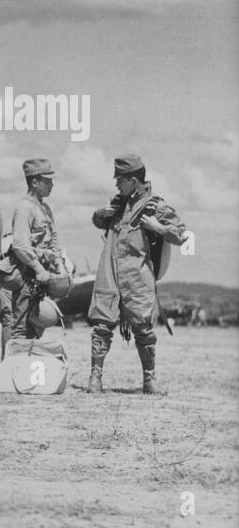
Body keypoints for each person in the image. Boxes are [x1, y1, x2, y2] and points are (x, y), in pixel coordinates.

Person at [87, 154, 187, 394]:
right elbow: (98, 221)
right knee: (101, 325)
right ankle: (95, 378)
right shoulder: (117, 205)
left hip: (137, 278)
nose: (116, 184)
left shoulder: (155, 206)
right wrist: (101, 213)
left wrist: (158, 227)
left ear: (133, 180)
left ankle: (149, 380)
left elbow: (181, 235)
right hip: (109, 274)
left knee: (144, 330)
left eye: (120, 179)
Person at [8, 158, 65, 346]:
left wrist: (59, 264)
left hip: (42, 277)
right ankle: (17, 368)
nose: (52, 185)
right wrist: (38, 269)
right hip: (27, 275)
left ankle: (29, 365)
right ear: (34, 182)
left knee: (36, 326)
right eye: (47, 181)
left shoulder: (45, 208)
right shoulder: (25, 208)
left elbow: (53, 240)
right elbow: (20, 246)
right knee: (21, 326)